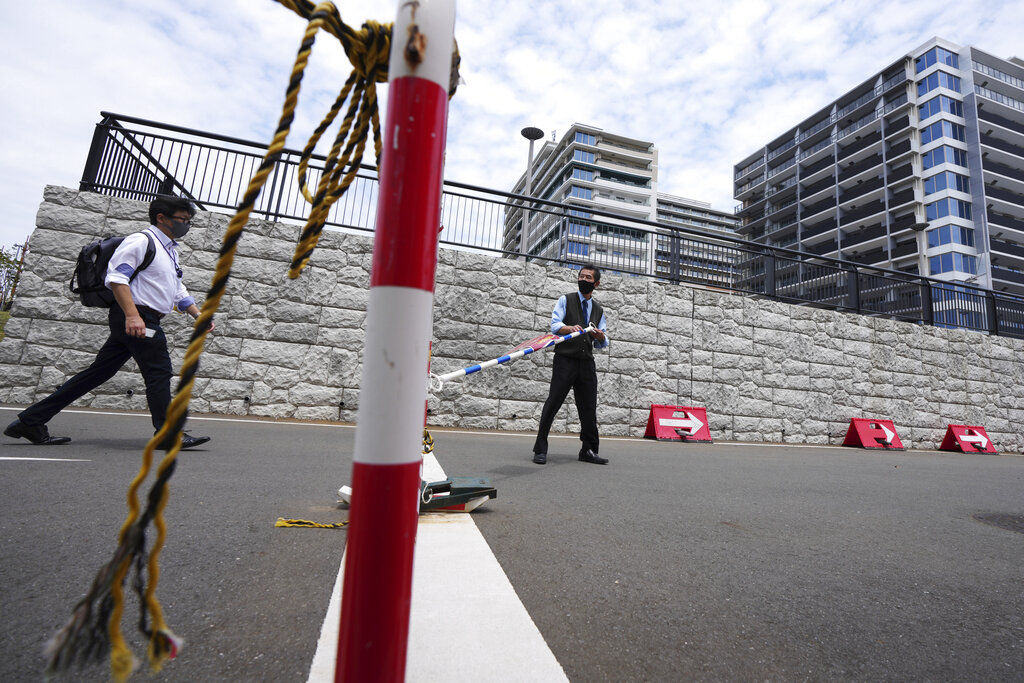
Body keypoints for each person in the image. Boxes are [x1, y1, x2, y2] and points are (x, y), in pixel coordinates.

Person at [4, 196, 212, 449]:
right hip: (138, 317)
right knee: (159, 371)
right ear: (161, 217)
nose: (187, 225)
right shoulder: (141, 241)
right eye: (183, 220)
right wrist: (132, 316)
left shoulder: (168, 250)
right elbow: (116, 279)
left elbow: (176, 288)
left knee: (97, 373)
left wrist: (196, 314)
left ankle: (30, 421)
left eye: (189, 221)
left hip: (140, 317)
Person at [532, 263, 609, 465]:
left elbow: (603, 342)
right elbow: (555, 326)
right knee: (553, 403)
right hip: (565, 359)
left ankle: (589, 450)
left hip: (586, 363)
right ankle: (540, 449)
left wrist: (600, 336)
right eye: (581, 277)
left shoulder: (599, 310)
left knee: (588, 408)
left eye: (588, 278)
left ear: (597, 284)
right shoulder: (565, 300)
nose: (583, 280)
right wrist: (568, 328)